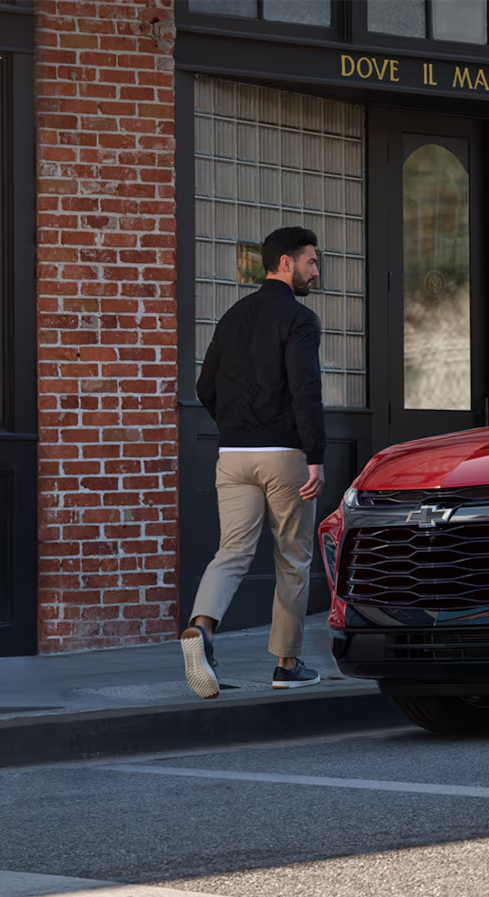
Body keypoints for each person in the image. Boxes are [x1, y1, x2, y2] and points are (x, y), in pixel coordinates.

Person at [181, 226, 327, 699]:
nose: (315, 271)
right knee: (293, 557)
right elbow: (305, 390)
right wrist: (317, 456)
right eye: (310, 262)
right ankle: (286, 664)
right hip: (284, 455)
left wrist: (236, 425)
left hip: (233, 454)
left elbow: (205, 387)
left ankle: (201, 629)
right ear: (285, 263)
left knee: (232, 551)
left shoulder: (232, 315)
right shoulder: (299, 319)